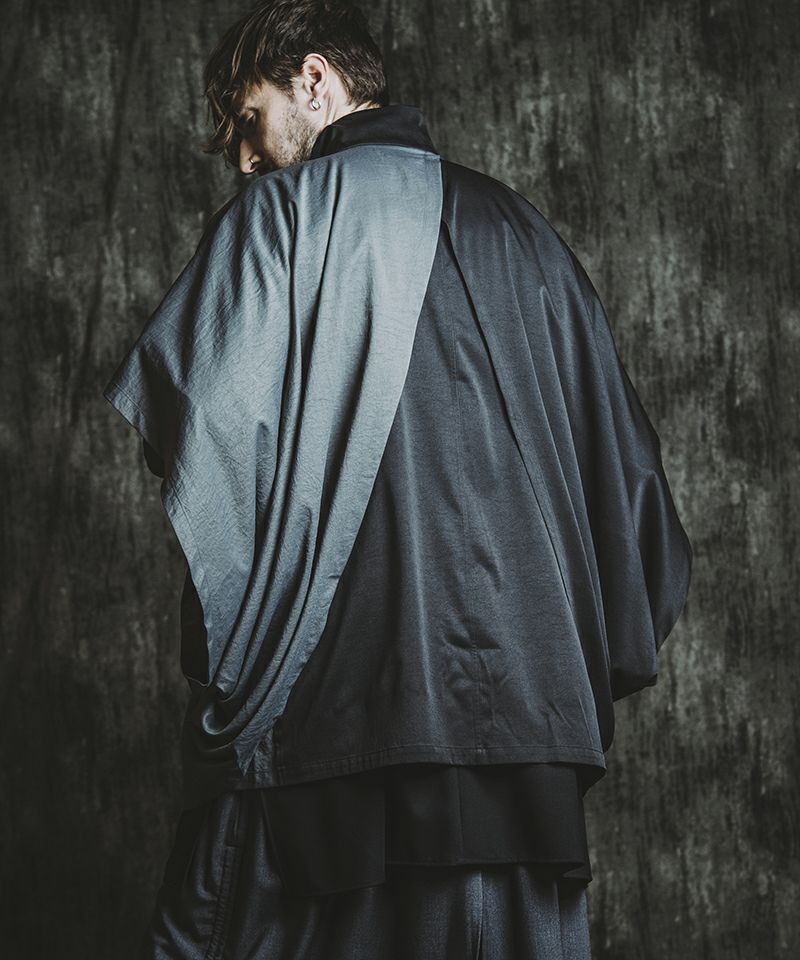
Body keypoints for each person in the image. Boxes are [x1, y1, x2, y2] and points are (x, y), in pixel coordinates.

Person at [102, 2, 693, 957]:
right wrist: (551, 677)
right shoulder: (528, 237)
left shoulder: (279, 221)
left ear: (315, 80)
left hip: (328, 755)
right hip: (527, 766)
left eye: (248, 122)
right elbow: (637, 512)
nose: (245, 160)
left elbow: (198, 445)